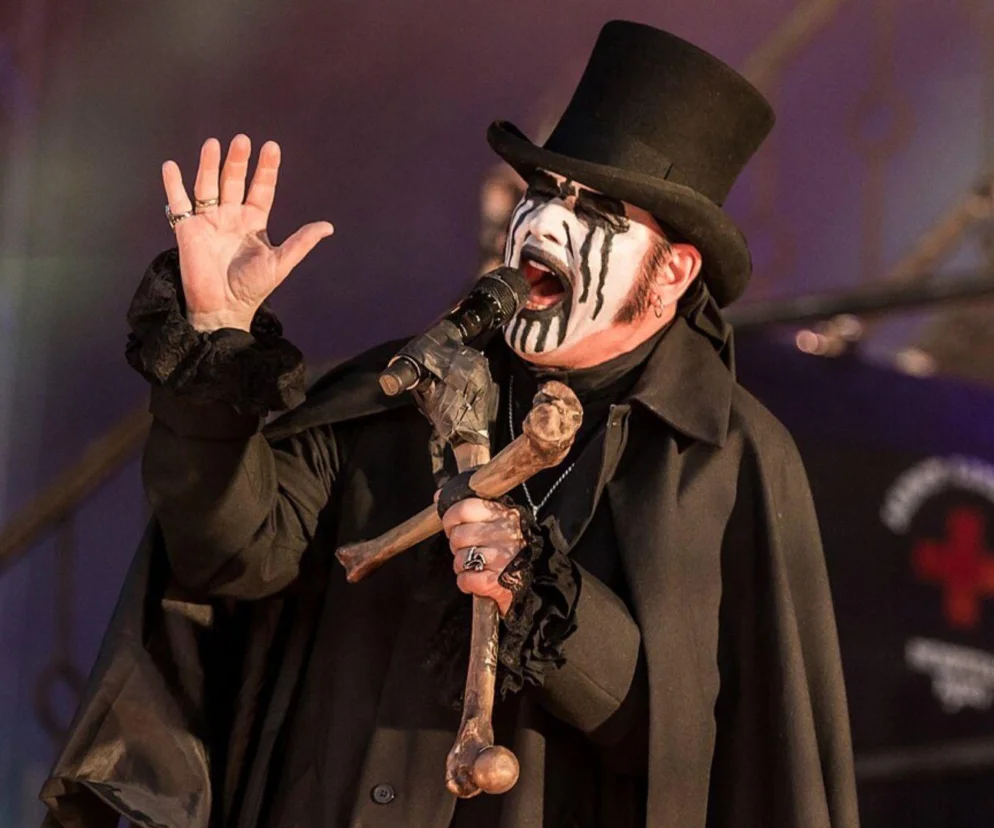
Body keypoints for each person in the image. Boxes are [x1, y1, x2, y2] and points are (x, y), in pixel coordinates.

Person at [40, 20, 860, 828]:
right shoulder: (399, 389)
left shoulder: (725, 461)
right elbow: (229, 554)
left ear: (673, 271)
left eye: (599, 211)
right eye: (543, 191)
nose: (545, 224)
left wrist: (541, 594)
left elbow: (702, 753)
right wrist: (218, 339)